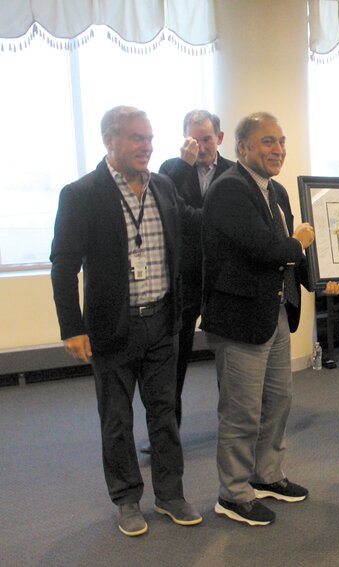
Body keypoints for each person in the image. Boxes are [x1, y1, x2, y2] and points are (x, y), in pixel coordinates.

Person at [50, 106, 202, 536]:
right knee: (117, 420)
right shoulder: (81, 194)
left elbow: (191, 230)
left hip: (162, 322)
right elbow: (63, 266)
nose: (146, 146)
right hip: (112, 327)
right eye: (136, 138)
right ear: (109, 141)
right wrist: (72, 327)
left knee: (164, 414)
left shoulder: (165, 187)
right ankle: (127, 500)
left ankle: (170, 495)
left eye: (149, 138)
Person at [201, 111, 339, 526]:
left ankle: (267, 475)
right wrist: (298, 242)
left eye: (281, 141)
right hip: (240, 318)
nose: (278, 149)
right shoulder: (229, 190)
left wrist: (318, 279)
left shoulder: (276, 191)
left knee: (278, 402)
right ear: (242, 148)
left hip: (276, 312)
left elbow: (287, 258)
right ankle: (234, 493)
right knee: (242, 411)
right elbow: (268, 249)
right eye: (267, 141)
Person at [138, 110, 233, 453]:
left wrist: (205, 221)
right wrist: (183, 162)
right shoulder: (171, 169)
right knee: (173, 359)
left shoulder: (233, 172)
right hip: (184, 279)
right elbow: (171, 210)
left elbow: (225, 220)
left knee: (230, 356)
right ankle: (165, 431)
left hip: (223, 278)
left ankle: (235, 425)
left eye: (207, 139)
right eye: (194, 139)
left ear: (219, 138)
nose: (201, 146)